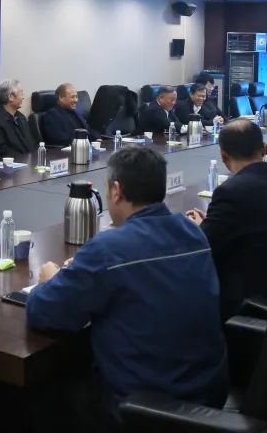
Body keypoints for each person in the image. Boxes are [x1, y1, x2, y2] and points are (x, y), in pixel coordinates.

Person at [26, 146, 227, 428]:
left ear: (116, 191)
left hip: (144, 409)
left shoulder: (108, 249)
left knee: (39, 397)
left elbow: (44, 311)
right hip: (207, 397)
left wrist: (50, 280)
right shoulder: (193, 232)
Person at [184, 119, 267, 320]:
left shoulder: (230, 191)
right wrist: (211, 222)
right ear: (264, 149)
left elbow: (205, 245)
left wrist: (198, 226)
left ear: (223, 155)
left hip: (244, 297)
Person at [0, 79, 37, 158]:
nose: (23, 97)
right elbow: (0, 151)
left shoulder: (21, 117)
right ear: (11, 97)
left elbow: (31, 143)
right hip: (11, 163)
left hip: (29, 162)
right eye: (21, 93)